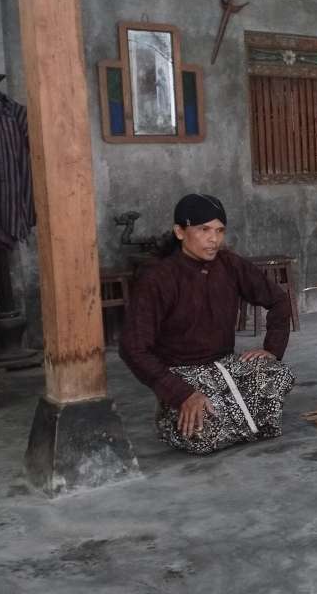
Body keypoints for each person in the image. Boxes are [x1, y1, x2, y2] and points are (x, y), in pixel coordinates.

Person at [120, 194, 295, 455]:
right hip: (182, 375)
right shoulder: (157, 278)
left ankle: (230, 417)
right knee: (204, 435)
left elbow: (279, 300)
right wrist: (180, 394)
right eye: (204, 230)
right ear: (180, 232)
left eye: (219, 230)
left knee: (279, 374)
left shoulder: (230, 265)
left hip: (225, 368)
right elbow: (132, 348)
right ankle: (209, 418)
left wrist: (272, 349)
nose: (214, 239)